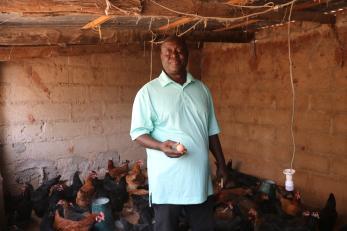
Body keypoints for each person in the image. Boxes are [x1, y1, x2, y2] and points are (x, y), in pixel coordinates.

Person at [130, 35, 229, 231]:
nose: (174, 56)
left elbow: (211, 132)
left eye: (179, 51)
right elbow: (138, 133)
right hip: (167, 183)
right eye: (168, 51)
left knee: (205, 227)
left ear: (187, 54)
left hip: (199, 180)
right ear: (161, 55)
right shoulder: (148, 92)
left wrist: (222, 164)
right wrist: (160, 146)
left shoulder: (202, 89)